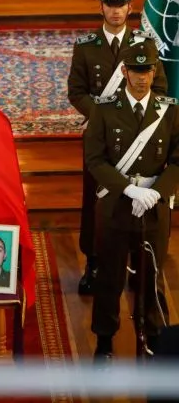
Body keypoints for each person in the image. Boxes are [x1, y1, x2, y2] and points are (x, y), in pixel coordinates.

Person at [67, 0, 168, 296]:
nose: (115, 10)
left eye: (120, 4)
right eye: (109, 4)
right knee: (95, 200)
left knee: (137, 197)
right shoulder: (86, 46)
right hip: (100, 137)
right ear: (101, 7)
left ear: (130, 7)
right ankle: (94, 262)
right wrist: (106, 118)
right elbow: (77, 91)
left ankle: (139, 263)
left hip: (139, 135)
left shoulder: (144, 44)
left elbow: (160, 90)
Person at [84, 40, 179, 363]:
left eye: (147, 70)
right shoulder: (104, 109)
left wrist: (157, 191)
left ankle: (153, 340)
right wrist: (129, 190)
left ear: (154, 71)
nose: (141, 78)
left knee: (152, 278)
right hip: (116, 206)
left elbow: (177, 160)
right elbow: (95, 160)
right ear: (124, 71)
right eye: (136, 71)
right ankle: (104, 343)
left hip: (154, 208)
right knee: (109, 278)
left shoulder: (169, 110)